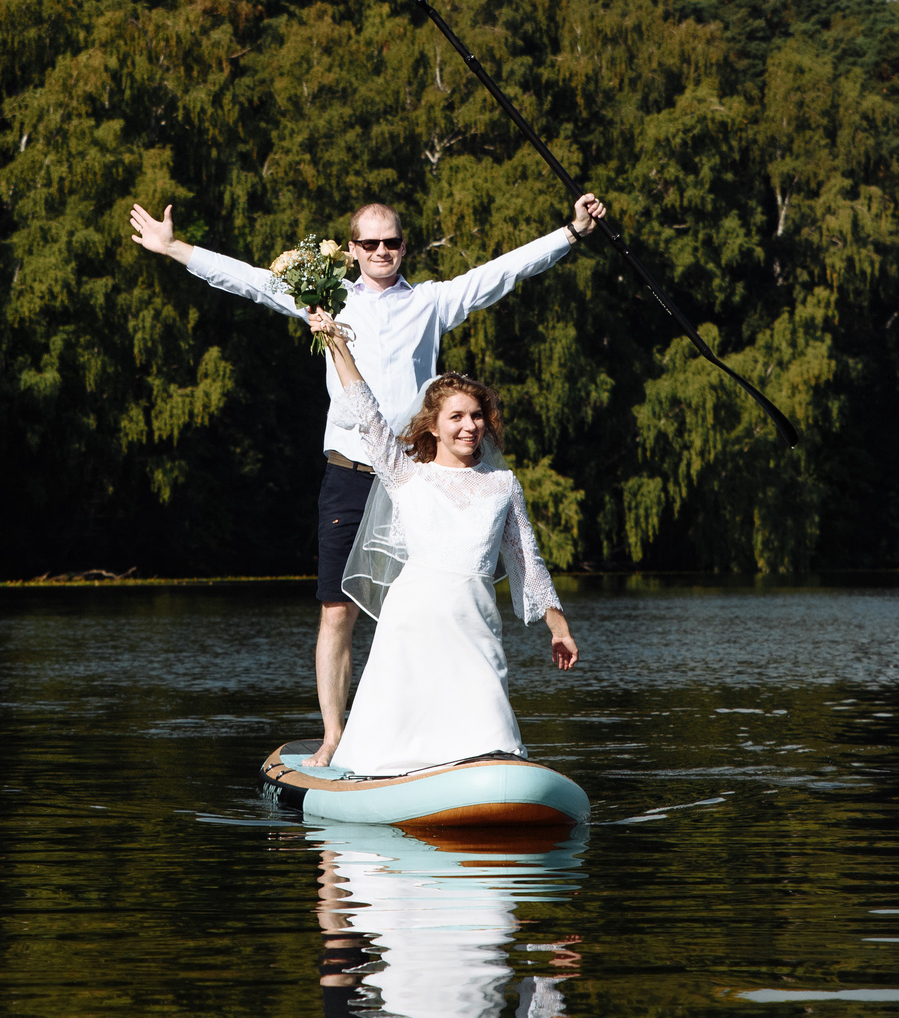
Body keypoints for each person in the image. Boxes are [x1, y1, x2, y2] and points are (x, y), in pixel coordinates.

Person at [128, 193, 604, 764]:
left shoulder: (432, 302)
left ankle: (434, 734)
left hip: (419, 481)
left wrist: (571, 234)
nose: (383, 251)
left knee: (427, 603)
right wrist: (173, 247)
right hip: (351, 474)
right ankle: (334, 735)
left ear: (406, 247)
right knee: (337, 612)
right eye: (371, 243)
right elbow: (250, 281)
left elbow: (503, 272)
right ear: (352, 250)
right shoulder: (323, 300)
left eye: (393, 242)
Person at [306, 308, 576, 775]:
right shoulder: (405, 474)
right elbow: (366, 409)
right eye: (457, 417)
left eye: (477, 417)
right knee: (393, 742)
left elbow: (526, 560)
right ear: (433, 425)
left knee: (491, 735)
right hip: (411, 622)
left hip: (475, 624)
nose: (470, 426)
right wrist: (337, 343)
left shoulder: (503, 484)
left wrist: (558, 626)